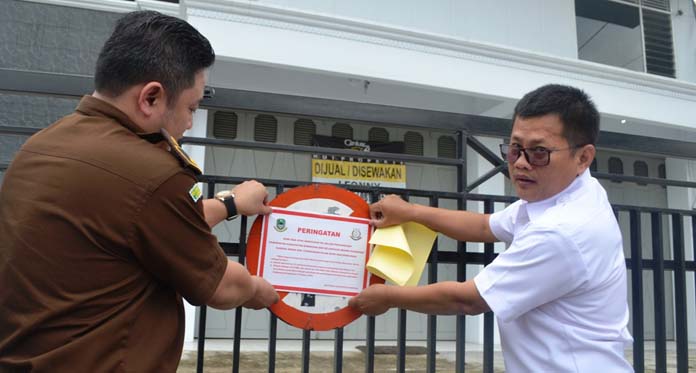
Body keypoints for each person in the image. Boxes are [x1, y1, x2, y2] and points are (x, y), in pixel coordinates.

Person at [0, 11, 278, 372]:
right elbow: (221, 285)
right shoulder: (153, 172)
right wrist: (261, 292)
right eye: (191, 108)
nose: (190, 123)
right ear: (150, 98)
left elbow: (138, 223)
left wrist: (230, 203)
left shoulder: (43, 144)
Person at [349, 84, 633, 372]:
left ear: (583, 157)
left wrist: (387, 297)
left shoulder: (562, 231)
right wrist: (411, 212)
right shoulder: (567, 191)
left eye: (538, 152)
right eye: (515, 149)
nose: (521, 164)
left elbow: (468, 300)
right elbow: (485, 226)